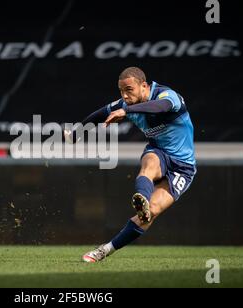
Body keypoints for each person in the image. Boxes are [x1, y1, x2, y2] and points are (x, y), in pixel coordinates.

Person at [65, 67, 197, 262]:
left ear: (144, 86)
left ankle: (105, 250)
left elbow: (160, 107)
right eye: (121, 91)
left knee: (150, 214)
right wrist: (76, 134)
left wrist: (126, 110)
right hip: (159, 152)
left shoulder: (167, 95)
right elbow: (99, 114)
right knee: (150, 164)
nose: (125, 96)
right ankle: (141, 199)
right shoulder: (126, 104)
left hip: (183, 167)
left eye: (129, 90)